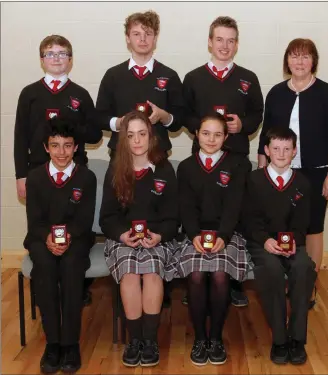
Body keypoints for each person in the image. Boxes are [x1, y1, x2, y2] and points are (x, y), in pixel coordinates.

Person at [14, 34, 102, 305]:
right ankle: (46, 287)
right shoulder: (29, 93)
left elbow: (96, 135)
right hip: (39, 175)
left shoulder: (80, 95)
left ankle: (78, 287)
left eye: (62, 53)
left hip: (73, 174)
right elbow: (20, 137)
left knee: (75, 231)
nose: (56, 58)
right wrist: (21, 175)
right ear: (42, 60)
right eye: (50, 54)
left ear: (70, 59)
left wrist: (72, 124)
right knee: (43, 233)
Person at [182, 16, 263, 307]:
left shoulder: (248, 78)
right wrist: (203, 125)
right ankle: (197, 275)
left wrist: (244, 125)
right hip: (203, 157)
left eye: (230, 40)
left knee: (235, 215)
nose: (224, 45)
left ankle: (233, 281)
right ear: (210, 42)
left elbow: (257, 114)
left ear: (236, 44)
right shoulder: (193, 77)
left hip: (236, 158)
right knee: (202, 212)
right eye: (219, 39)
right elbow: (184, 115)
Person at [257, 38, 328, 308]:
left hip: (316, 172)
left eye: (305, 57)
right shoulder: (276, 93)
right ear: (287, 61)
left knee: (313, 227)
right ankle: (286, 279)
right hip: (281, 171)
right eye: (294, 56)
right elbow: (264, 136)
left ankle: (309, 284)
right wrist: (262, 170)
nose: (299, 62)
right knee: (282, 225)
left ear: (313, 61)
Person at [99, 110, 179, 367]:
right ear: (123, 139)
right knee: (131, 272)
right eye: (130, 135)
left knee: (152, 270)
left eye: (142, 134)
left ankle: (150, 339)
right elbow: (107, 218)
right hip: (124, 240)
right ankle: (135, 340)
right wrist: (123, 235)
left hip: (158, 239)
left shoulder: (165, 169)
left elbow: (173, 218)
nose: (136, 141)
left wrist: (159, 236)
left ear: (151, 136)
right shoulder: (115, 170)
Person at [177, 113, 252, 366]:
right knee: (197, 274)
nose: (211, 139)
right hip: (194, 233)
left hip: (228, 233)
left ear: (226, 137)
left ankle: (216, 337)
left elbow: (234, 206)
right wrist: (194, 235)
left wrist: (223, 236)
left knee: (220, 274)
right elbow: (185, 208)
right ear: (196, 134)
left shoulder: (239, 164)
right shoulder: (185, 167)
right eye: (206, 133)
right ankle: (200, 338)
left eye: (218, 134)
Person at [24, 118, 97, 373]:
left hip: (75, 239)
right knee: (43, 268)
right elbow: (34, 220)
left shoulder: (86, 177)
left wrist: (66, 239)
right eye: (55, 146)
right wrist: (47, 238)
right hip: (41, 237)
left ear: (76, 147)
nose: (62, 152)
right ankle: (52, 343)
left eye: (67, 146)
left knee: (70, 268)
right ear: (46, 148)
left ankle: (70, 344)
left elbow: (84, 220)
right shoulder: (34, 178)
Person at [243, 127, 316, 365]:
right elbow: (248, 219)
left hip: (293, 244)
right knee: (272, 271)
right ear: (266, 150)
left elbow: (302, 222)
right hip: (261, 243)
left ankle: (297, 338)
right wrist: (265, 240)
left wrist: (294, 241)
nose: (281, 153)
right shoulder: (254, 180)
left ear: (294, 151)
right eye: (276, 148)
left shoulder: (302, 183)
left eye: (287, 149)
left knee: (304, 268)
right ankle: (280, 339)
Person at [96, 10, 185, 161]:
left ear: (155, 38)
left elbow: (179, 121)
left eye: (148, 34)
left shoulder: (170, 75)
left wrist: (163, 116)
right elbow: (99, 117)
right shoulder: (113, 75)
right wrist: (119, 123)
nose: (142, 39)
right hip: (121, 154)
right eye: (136, 34)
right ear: (128, 38)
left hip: (157, 153)